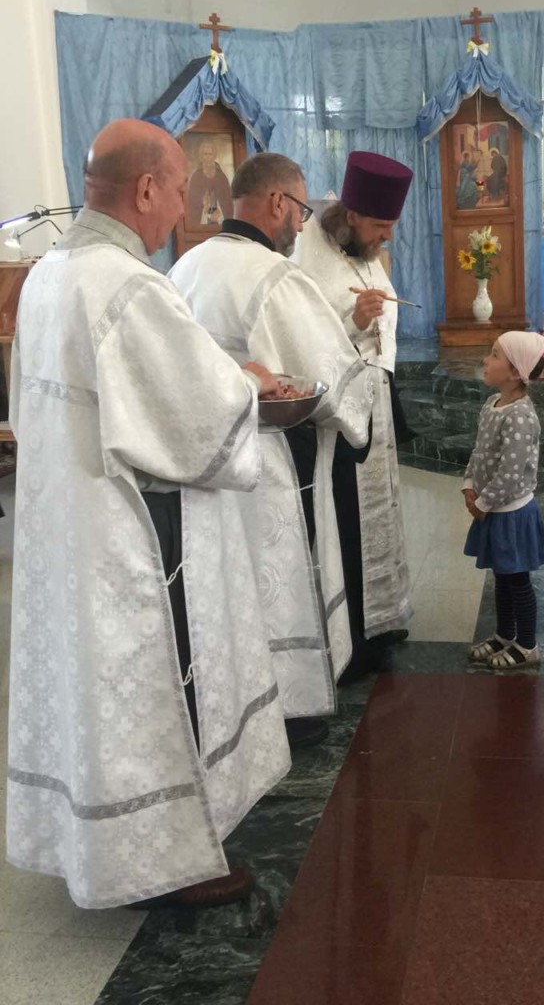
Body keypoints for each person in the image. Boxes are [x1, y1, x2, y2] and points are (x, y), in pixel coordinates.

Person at [7, 119, 291, 910]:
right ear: (143, 189)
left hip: (69, 528)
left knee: (99, 697)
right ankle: (172, 862)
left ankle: (106, 848)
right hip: (136, 538)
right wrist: (247, 384)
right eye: (177, 192)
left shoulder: (48, 277)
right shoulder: (128, 285)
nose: (182, 210)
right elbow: (198, 418)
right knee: (163, 680)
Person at [169, 153, 373, 729]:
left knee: (223, 579)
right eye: (300, 210)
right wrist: (359, 420)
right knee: (278, 576)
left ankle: (231, 697)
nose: (302, 226)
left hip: (204, 461)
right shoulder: (276, 277)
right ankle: (290, 702)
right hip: (271, 462)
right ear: (278, 202)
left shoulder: (184, 267)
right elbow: (330, 372)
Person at [293, 151, 414, 681]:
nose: (386, 236)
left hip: (375, 401)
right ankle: (353, 637)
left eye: (392, 226)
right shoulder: (308, 259)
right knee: (348, 520)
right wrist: (353, 321)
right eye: (381, 226)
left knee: (381, 512)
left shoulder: (365, 250)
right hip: (339, 415)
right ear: (353, 215)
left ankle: (383, 619)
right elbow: (303, 339)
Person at [463, 332, 544, 668]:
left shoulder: (520, 416)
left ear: (515, 372)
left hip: (511, 514)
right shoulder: (492, 404)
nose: (485, 360)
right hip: (493, 509)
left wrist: (482, 504)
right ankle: (505, 634)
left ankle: (527, 645)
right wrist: (469, 484)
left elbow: (510, 473)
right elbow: (480, 451)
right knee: (502, 578)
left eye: (494, 355)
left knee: (517, 581)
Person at [187, 138, 234, 225]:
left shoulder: (221, 177)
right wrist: (204, 206)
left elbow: (227, 202)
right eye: (205, 154)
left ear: (214, 155)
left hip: (220, 221)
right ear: (201, 156)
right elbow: (192, 203)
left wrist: (219, 212)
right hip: (201, 221)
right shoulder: (196, 177)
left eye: (210, 154)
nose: (208, 157)